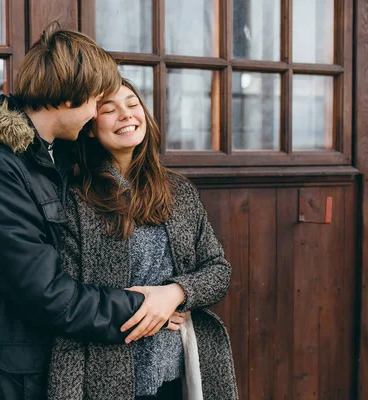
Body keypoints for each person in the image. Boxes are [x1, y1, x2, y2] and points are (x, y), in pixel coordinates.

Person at [0, 27, 183, 400]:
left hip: (44, 363)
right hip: (7, 375)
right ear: (71, 96)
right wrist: (144, 307)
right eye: (97, 102)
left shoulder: (51, 157)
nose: (96, 116)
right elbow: (42, 292)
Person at [47, 79, 239, 400]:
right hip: (107, 376)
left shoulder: (178, 191)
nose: (126, 115)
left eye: (133, 104)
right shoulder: (78, 200)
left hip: (177, 370)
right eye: (109, 110)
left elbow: (218, 271)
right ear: (90, 128)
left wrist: (175, 293)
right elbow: (69, 301)